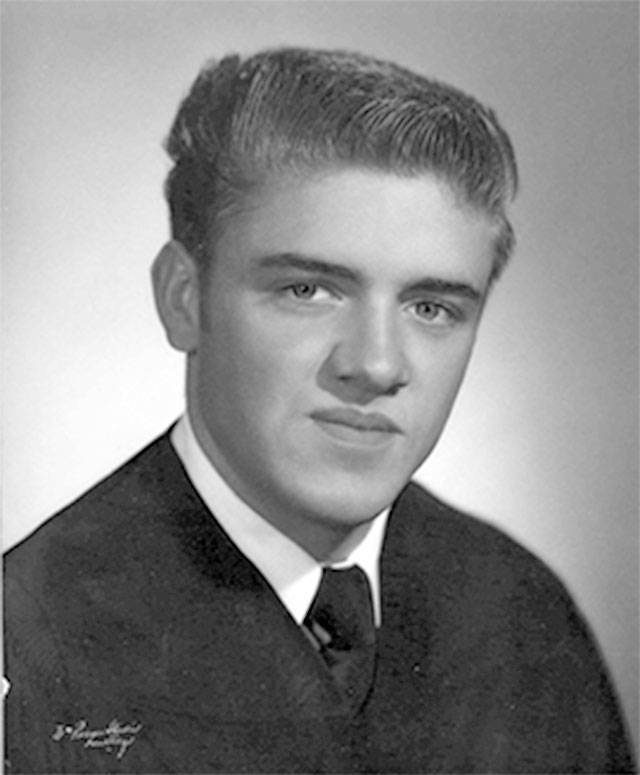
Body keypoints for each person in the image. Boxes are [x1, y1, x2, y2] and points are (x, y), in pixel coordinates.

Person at [4, 47, 634, 774]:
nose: (376, 365)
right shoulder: (28, 640)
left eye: (431, 307)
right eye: (308, 290)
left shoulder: (522, 615)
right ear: (184, 299)